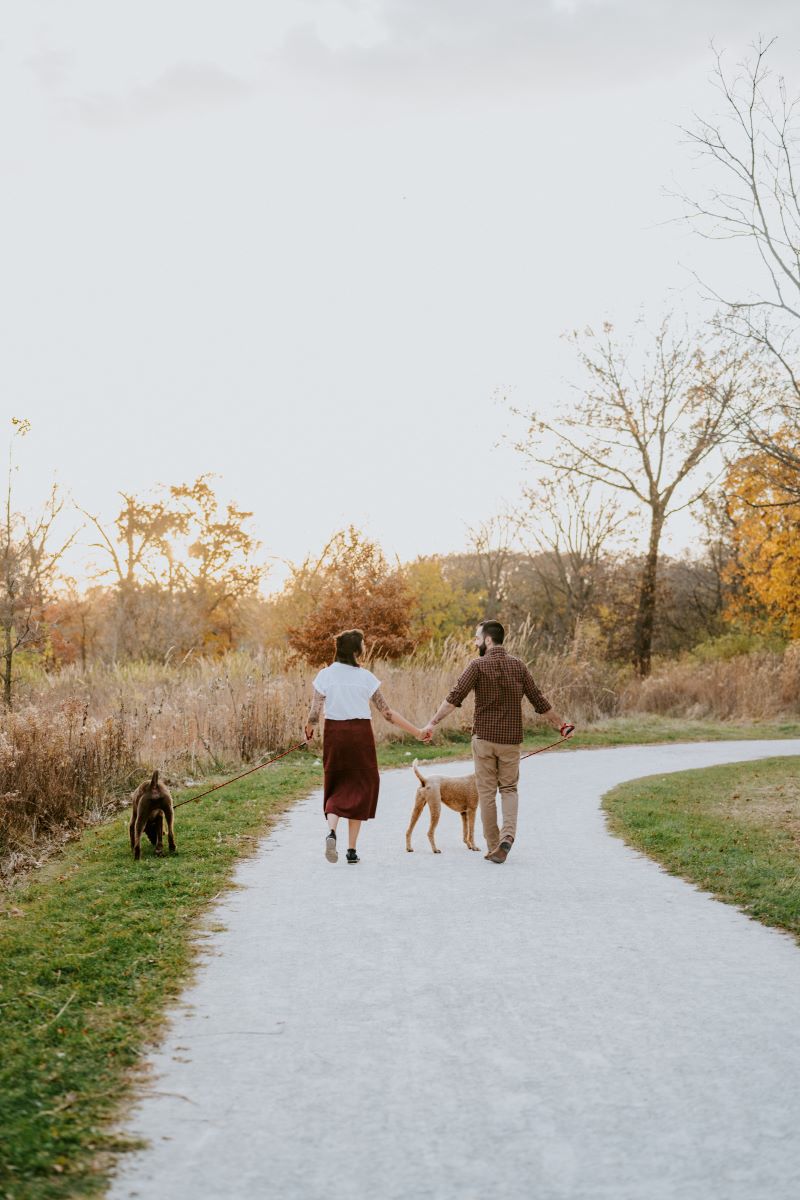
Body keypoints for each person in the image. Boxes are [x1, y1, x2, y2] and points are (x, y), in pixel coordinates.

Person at [421, 620, 574, 864]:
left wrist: (432, 723)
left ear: (488, 640)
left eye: (477, 638)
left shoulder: (477, 666)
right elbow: (539, 700)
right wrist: (561, 725)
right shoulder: (519, 666)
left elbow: (453, 698)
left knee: (487, 793)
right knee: (510, 789)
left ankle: (494, 847)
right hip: (511, 741)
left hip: (483, 740)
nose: (475, 642)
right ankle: (507, 837)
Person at [305, 628, 427, 864]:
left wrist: (309, 730)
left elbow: (314, 712)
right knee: (362, 785)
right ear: (355, 650)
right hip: (360, 735)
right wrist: (417, 732)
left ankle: (332, 831)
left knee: (336, 783)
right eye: (362, 644)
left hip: (334, 734)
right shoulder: (365, 677)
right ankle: (351, 850)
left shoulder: (325, 675)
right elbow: (387, 713)